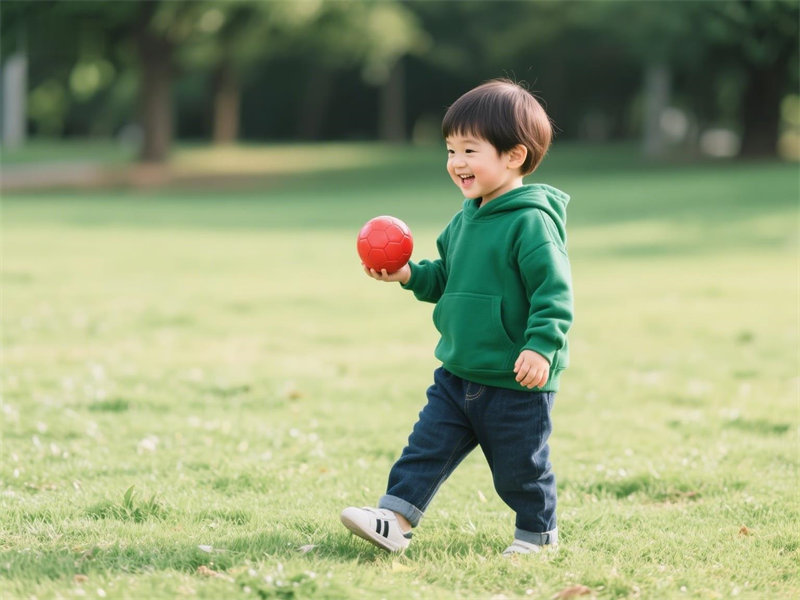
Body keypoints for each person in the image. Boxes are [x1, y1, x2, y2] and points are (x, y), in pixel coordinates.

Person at [341, 79, 573, 556]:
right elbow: (446, 278)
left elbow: (553, 292)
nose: (456, 162)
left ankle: (537, 535)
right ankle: (394, 521)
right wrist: (409, 274)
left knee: (520, 469)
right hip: (457, 371)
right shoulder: (463, 219)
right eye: (450, 150)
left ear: (514, 155)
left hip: (515, 381)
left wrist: (540, 347)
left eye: (470, 150)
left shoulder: (530, 221)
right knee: (424, 450)